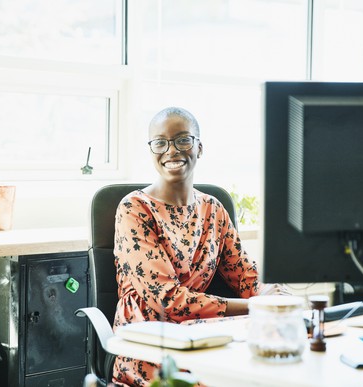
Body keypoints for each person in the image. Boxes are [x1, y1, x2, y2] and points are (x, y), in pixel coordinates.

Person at [111, 107, 288, 386]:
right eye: (160, 142)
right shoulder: (135, 209)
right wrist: (256, 307)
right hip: (150, 340)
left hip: (201, 334)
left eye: (183, 140)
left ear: (199, 147)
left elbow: (245, 275)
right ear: (151, 150)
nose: (171, 151)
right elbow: (167, 300)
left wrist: (274, 295)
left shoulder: (213, 209)